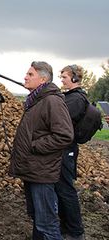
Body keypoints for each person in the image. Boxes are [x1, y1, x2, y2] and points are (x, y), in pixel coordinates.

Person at [8, 61, 74, 239]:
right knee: (37, 218)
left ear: (43, 79)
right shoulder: (34, 101)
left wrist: (35, 146)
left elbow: (65, 135)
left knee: (47, 222)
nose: (25, 77)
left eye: (30, 74)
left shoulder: (51, 101)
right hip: (31, 168)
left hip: (41, 170)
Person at [55, 65, 86, 240]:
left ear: (75, 78)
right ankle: (65, 226)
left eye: (65, 77)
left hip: (67, 150)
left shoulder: (76, 99)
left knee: (67, 191)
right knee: (61, 190)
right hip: (63, 149)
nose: (62, 80)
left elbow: (61, 118)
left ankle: (76, 232)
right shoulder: (69, 97)